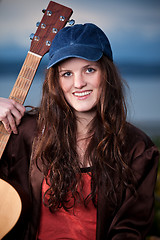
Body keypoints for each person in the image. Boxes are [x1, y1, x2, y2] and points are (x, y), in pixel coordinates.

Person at [0, 23, 159, 240]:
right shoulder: (24, 133)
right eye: (66, 73)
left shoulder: (137, 147)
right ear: (55, 81)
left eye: (89, 70)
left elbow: (130, 229)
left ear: (107, 74)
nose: (78, 83)